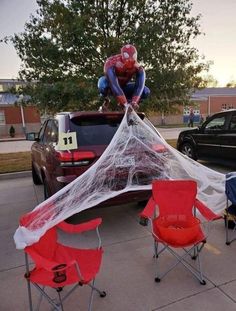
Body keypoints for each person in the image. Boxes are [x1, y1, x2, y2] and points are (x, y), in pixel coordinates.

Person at [98, 44, 150, 111]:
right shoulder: (111, 63)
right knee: (103, 84)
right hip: (110, 86)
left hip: (124, 87)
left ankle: (129, 103)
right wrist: (124, 104)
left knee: (146, 91)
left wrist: (134, 102)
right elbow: (114, 84)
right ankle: (106, 101)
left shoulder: (139, 68)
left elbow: (140, 86)